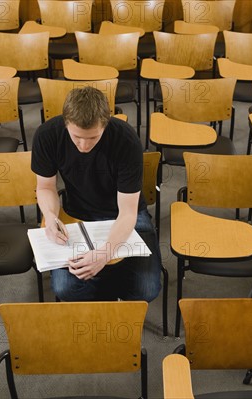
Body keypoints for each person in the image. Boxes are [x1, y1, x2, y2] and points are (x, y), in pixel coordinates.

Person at [31, 86, 162, 302]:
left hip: (123, 214)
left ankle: (104, 284)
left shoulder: (126, 141)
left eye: (93, 137)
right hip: (78, 212)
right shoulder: (47, 135)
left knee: (146, 290)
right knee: (65, 289)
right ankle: (104, 294)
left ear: (105, 124)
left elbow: (128, 212)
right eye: (76, 137)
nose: (84, 145)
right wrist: (51, 216)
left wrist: (104, 254)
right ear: (65, 124)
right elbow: (45, 187)